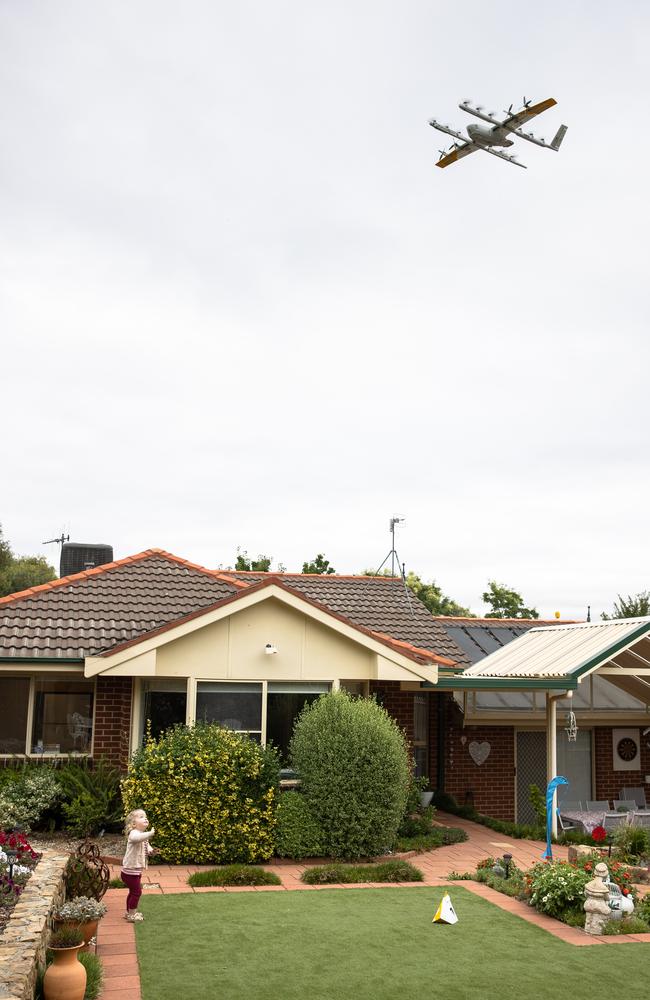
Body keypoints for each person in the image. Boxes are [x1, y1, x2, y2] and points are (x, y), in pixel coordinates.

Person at [120, 808, 155, 922]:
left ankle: (129, 912)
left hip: (134, 871)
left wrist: (150, 850)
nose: (145, 818)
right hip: (130, 871)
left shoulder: (142, 834)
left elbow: (146, 844)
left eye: (145, 816)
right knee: (137, 892)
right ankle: (132, 914)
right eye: (141, 817)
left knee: (133, 891)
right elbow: (136, 839)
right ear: (134, 824)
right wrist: (149, 834)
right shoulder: (134, 833)